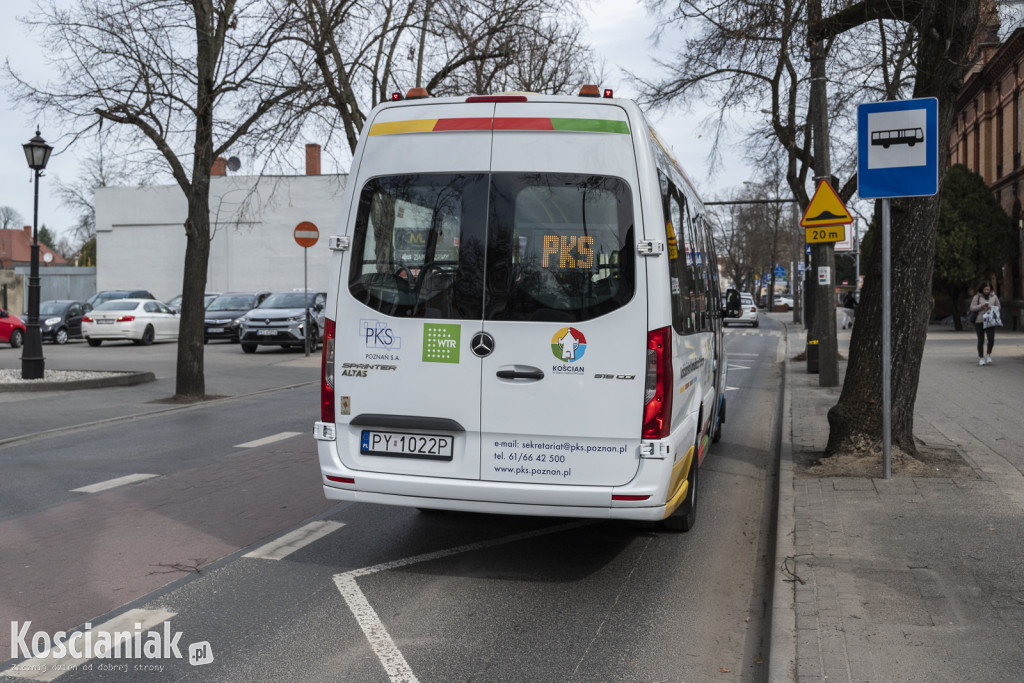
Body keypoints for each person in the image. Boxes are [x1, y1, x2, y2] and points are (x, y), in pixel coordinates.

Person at [969, 282, 1000, 366]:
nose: (987, 291)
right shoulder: (977, 297)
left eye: (988, 289)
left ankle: (988, 354)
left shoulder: (994, 296)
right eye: (985, 289)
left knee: (991, 338)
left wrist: (992, 307)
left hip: (990, 321)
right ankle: (981, 358)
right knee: (981, 339)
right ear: (982, 289)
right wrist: (981, 306)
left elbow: (999, 307)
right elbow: (972, 308)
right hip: (979, 321)